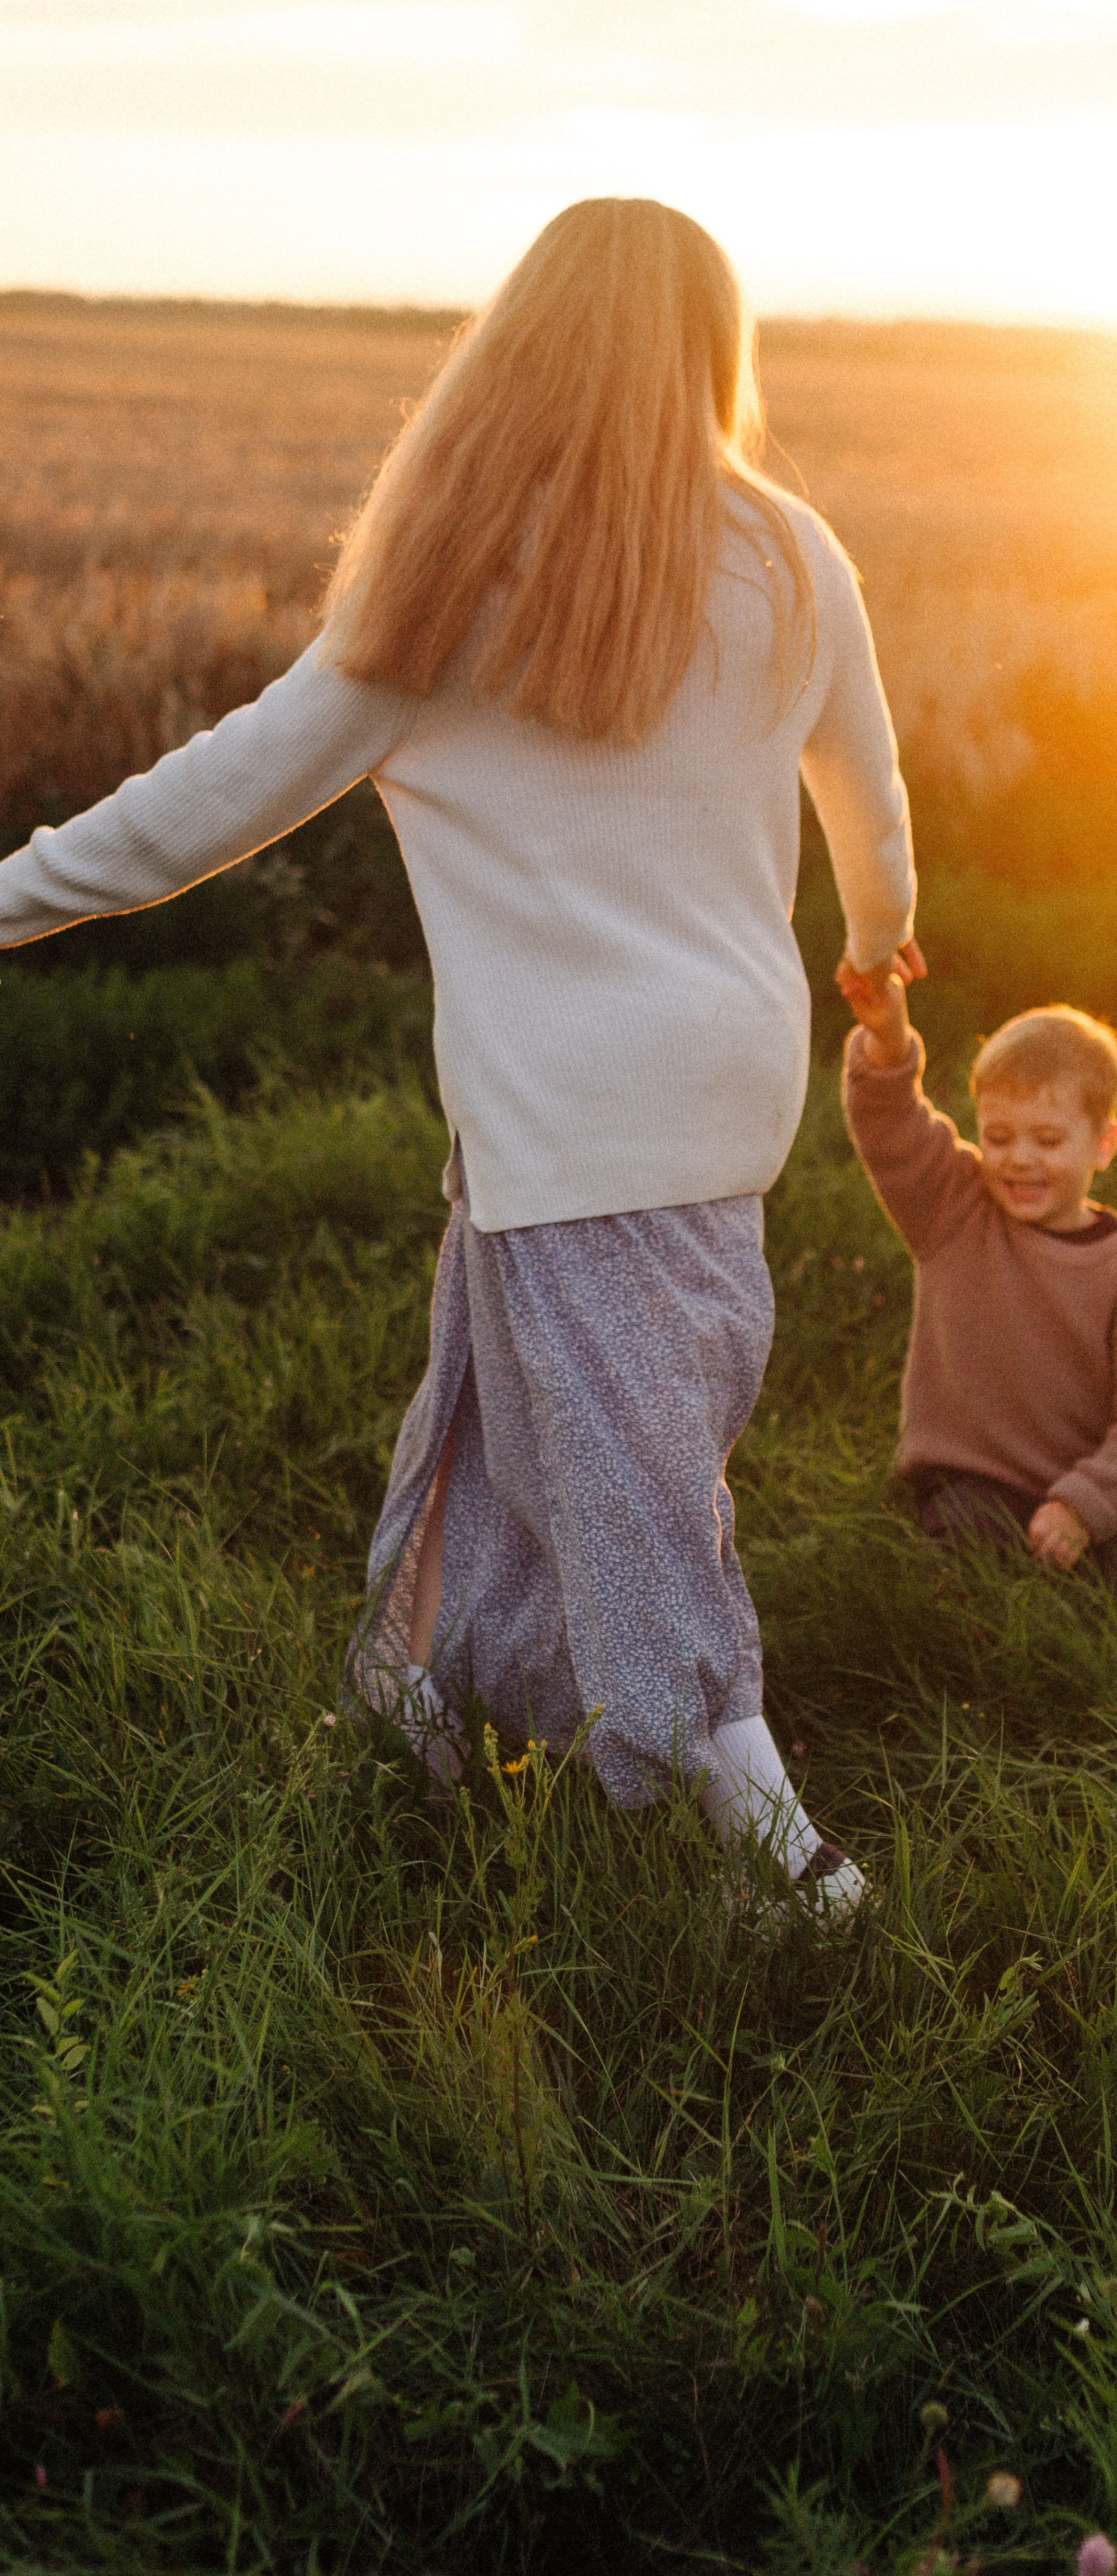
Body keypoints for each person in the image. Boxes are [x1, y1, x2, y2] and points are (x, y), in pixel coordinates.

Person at [0, 197, 920, 1921]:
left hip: (568, 1106)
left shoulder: (454, 586)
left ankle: (779, 1861)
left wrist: (11, 898)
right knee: (505, 1411)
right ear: (711, 350)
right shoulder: (795, 551)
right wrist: (877, 948)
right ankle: (418, 1716)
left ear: (521, 346)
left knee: (642, 1489)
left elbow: (202, 805)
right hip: (726, 1085)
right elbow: (868, 801)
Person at [836, 960, 1117, 1597]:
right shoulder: (954, 1206)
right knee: (968, 1558)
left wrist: (1086, 1504)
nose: (1020, 1160)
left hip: (1082, 1491)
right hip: (968, 1482)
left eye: (1049, 1140)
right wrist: (889, 1041)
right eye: (999, 1137)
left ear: (1104, 1145)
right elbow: (890, 1124)